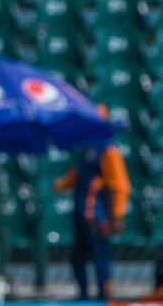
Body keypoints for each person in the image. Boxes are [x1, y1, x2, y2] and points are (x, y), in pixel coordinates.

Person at [53, 105, 131, 300]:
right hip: (81, 216)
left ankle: (103, 298)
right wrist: (59, 184)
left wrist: (117, 215)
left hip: (99, 216)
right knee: (77, 259)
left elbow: (119, 185)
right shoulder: (88, 150)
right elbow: (76, 176)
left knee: (100, 260)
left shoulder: (108, 150)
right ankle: (84, 296)